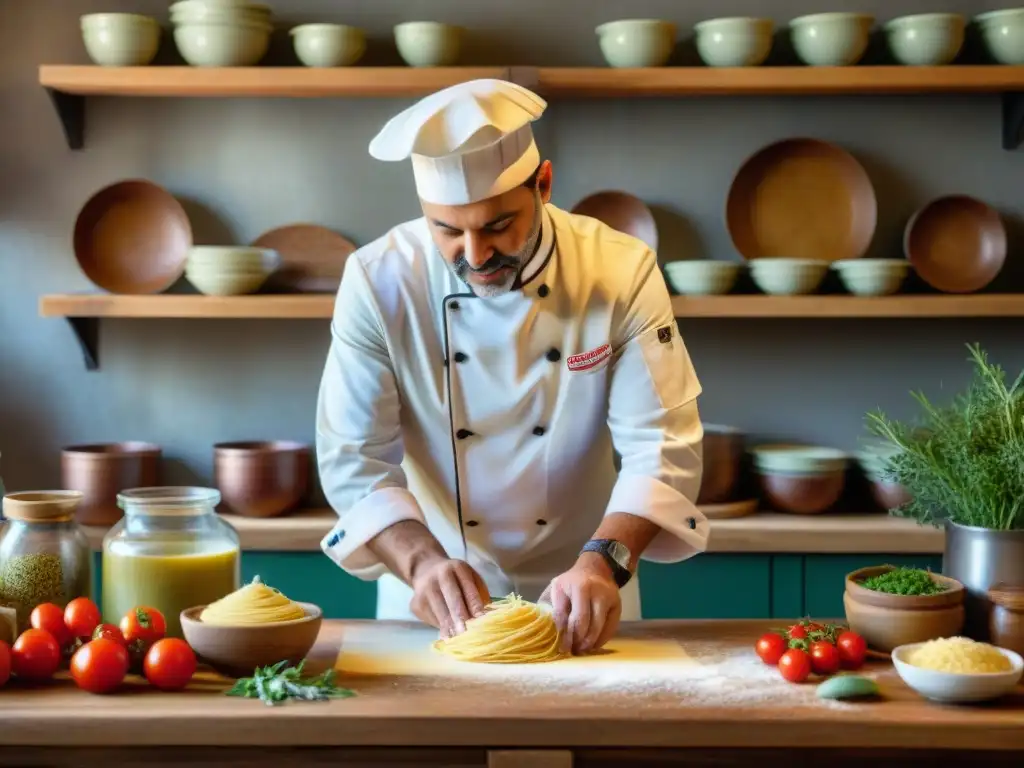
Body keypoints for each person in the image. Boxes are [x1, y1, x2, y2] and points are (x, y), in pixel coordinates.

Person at [316, 78, 707, 655]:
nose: (475, 255)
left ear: (543, 185)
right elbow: (353, 456)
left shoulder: (620, 271)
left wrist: (604, 563)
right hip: (431, 592)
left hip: (587, 590)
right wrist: (422, 564)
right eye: (448, 230)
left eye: (498, 225)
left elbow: (663, 443)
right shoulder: (378, 282)